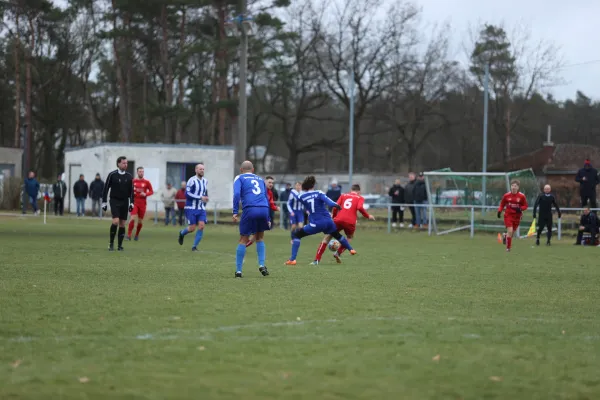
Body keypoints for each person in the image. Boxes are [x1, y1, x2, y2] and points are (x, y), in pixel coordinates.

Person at [285, 176, 355, 265]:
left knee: (296, 235)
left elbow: (296, 195)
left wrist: (291, 189)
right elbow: (329, 202)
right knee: (337, 235)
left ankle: (292, 259)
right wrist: (336, 205)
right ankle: (351, 249)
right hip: (329, 221)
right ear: (313, 185)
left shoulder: (302, 196)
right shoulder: (319, 192)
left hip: (316, 223)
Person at [312, 184, 375, 265]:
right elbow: (359, 207)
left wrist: (334, 217)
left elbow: (335, 207)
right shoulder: (360, 198)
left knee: (327, 238)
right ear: (359, 192)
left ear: (351, 190)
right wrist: (368, 216)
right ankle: (338, 253)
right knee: (349, 237)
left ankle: (316, 260)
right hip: (350, 222)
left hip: (338, 220)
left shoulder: (343, 195)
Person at [232, 160, 271, 278]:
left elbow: (236, 194)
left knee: (243, 239)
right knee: (259, 238)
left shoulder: (239, 178)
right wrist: (268, 216)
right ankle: (261, 265)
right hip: (263, 208)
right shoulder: (260, 179)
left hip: (250, 209)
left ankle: (238, 271)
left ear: (241, 170)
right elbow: (266, 197)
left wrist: (235, 211)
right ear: (253, 170)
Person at [101, 156, 134, 251]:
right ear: (118, 164)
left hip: (124, 201)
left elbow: (132, 192)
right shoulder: (112, 175)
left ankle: (120, 245)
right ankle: (111, 243)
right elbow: (106, 188)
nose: (125, 165)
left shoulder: (129, 176)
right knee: (115, 221)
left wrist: (132, 203)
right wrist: (104, 202)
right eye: (124, 163)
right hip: (114, 200)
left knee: (123, 224)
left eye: (126, 163)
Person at [178, 163, 208, 251]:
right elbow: (187, 194)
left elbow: (203, 193)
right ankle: (182, 233)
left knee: (202, 226)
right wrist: (200, 197)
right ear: (196, 170)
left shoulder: (205, 181)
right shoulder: (192, 180)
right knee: (192, 228)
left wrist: (205, 198)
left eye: (203, 169)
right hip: (191, 207)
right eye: (200, 169)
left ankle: (194, 247)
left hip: (201, 207)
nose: (202, 170)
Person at [245, 175, 279, 248]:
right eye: (269, 182)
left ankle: (243, 246)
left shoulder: (270, 192)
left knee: (257, 235)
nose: (271, 184)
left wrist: (276, 208)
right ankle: (243, 245)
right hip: (256, 213)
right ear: (265, 182)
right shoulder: (259, 190)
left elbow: (271, 204)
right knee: (257, 235)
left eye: (272, 183)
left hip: (264, 215)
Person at [497, 179, 528, 252]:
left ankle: (505, 235)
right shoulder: (506, 195)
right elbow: (502, 204)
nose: (513, 187)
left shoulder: (521, 196)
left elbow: (525, 206)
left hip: (517, 217)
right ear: (510, 186)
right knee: (510, 231)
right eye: (512, 186)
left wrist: (520, 209)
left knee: (511, 233)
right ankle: (508, 248)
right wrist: (499, 211)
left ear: (518, 187)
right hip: (508, 215)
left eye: (515, 186)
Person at [127, 167, 154, 241]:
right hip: (134, 202)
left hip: (142, 203)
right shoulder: (133, 181)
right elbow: (128, 190)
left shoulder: (147, 182)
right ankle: (128, 235)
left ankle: (136, 235)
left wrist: (145, 194)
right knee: (132, 218)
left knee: (140, 221)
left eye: (142, 171)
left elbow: (151, 191)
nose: (141, 173)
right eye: (140, 171)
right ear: (137, 172)